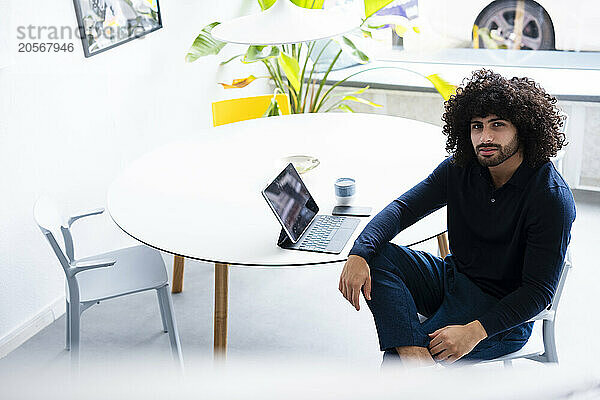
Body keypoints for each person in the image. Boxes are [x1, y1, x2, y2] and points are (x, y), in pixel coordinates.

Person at [338, 69, 576, 366]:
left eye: (497, 125)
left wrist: (474, 332)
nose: (485, 137)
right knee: (375, 254)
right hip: (453, 279)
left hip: (499, 315)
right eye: (477, 126)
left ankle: (410, 357)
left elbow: (538, 292)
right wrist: (359, 254)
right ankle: (416, 357)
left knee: (397, 362)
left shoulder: (551, 197)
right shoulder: (461, 167)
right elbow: (402, 210)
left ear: (524, 129)